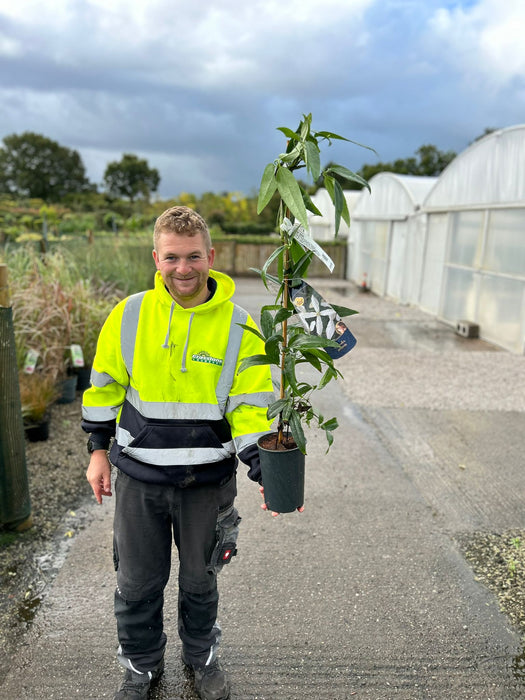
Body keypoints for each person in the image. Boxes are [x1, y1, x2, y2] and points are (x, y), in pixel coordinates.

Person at [82, 206, 277, 700]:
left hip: (206, 486)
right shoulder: (129, 315)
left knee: (200, 580)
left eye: (193, 257)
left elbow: (251, 405)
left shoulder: (240, 326)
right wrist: (97, 451)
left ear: (211, 256)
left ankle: (201, 660)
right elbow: (104, 388)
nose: (183, 269)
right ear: (156, 257)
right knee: (137, 584)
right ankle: (141, 669)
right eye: (172, 258)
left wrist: (262, 466)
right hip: (140, 483)